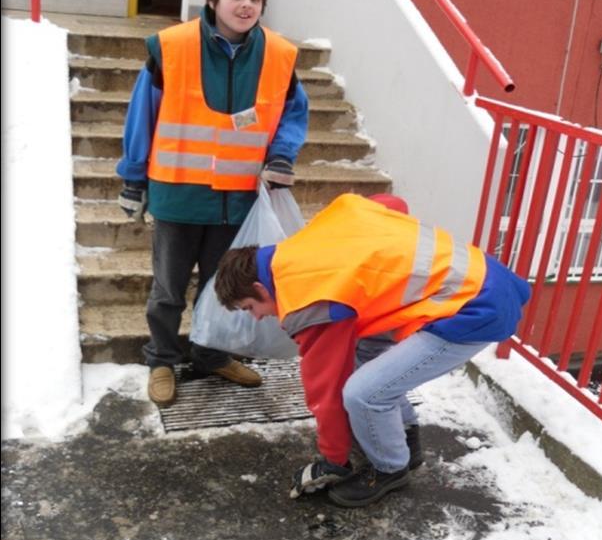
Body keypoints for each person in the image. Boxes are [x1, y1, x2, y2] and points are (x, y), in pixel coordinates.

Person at [213, 192, 531, 508]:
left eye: (250, 307)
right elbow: (390, 204)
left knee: (363, 393)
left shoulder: (307, 301)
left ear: (258, 287)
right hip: (483, 276)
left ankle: (390, 469)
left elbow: (325, 389)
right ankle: (406, 435)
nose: (257, 317)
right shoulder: (310, 240)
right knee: (366, 349)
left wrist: (333, 460)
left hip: (474, 311)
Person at [116, 0, 308, 407]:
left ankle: (209, 356)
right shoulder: (172, 47)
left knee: (223, 288)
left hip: (238, 199)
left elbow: (293, 114)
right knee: (167, 289)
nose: (246, 5)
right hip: (178, 194)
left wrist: (282, 155)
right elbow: (142, 115)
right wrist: (133, 178)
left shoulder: (279, 55)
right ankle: (162, 359)